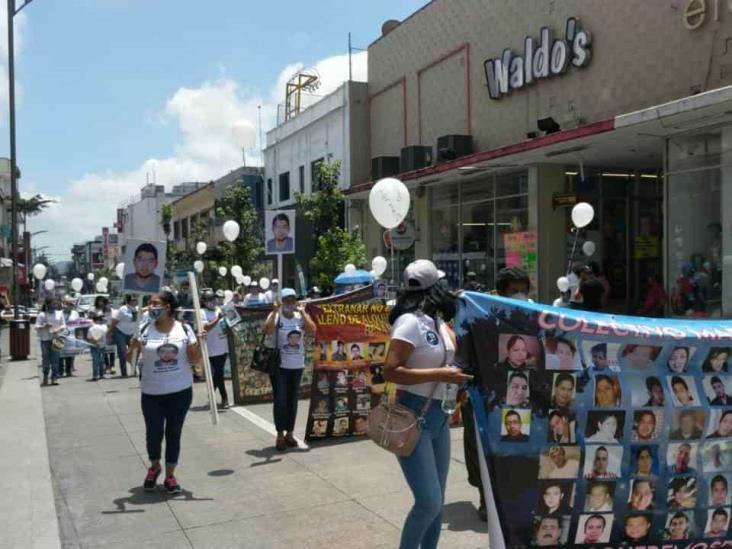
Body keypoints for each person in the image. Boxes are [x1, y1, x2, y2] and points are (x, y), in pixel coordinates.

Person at [382, 259, 471, 549]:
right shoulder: (409, 323)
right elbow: (391, 370)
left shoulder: (439, 323)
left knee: (438, 501)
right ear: (436, 288)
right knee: (428, 503)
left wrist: (456, 385)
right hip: (412, 416)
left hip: (439, 417)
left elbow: (450, 360)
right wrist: (441, 374)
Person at [126, 291, 202, 494]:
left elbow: (195, 360)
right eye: (150, 304)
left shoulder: (184, 329)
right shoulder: (143, 329)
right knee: (153, 434)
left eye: (155, 303)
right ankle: (154, 466)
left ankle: (170, 474)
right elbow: (129, 360)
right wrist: (132, 348)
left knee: (173, 433)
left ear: (168, 307)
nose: (151, 307)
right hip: (152, 392)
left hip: (180, 391)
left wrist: (198, 344)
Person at [263, 288, 316, 451]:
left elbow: (312, 330)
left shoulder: (299, 317)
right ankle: (279, 434)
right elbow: (267, 330)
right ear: (281, 301)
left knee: (292, 401)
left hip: (296, 365)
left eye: (292, 300)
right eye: (286, 300)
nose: (289, 303)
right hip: (280, 366)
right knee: (280, 401)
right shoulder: (277, 316)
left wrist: (304, 312)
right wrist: (273, 312)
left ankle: (290, 433)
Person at [201, 290, 230, 409]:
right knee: (219, 373)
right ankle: (224, 398)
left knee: (218, 373)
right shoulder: (202, 312)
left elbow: (226, 324)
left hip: (223, 346)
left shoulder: (220, 309)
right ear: (204, 302)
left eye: (213, 299)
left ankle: (213, 392)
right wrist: (217, 319)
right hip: (211, 348)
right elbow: (206, 327)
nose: (212, 302)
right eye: (209, 300)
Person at [35, 297, 66, 386]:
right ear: (47, 305)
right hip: (45, 340)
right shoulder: (42, 314)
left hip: (57, 338)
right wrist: (44, 326)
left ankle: (54, 377)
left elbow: (63, 325)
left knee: (55, 359)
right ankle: (45, 376)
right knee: (45, 359)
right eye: (52, 304)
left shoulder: (59, 313)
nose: (54, 305)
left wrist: (58, 329)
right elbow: (36, 327)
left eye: (55, 304)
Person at [110, 295, 137, 378]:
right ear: (129, 301)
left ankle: (133, 370)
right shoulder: (123, 309)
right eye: (133, 299)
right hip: (120, 332)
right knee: (122, 352)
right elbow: (115, 321)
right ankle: (124, 372)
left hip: (132, 333)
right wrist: (109, 332)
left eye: (136, 299)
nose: (135, 301)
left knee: (133, 353)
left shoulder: (137, 308)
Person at [94, 296, 116, 376]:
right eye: (107, 304)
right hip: (103, 333)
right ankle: (106, 366)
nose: (109, 305)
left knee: (112, 350)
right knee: (105, 350)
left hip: (112, 332)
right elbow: (97, 322)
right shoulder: (100, 313)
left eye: (110, 304)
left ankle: (112, 365)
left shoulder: (115, 312)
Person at [59, 295, 80, 377]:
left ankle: (68, 371)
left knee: (70, 355)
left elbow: (78, 325)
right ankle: (60, 371)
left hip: (71, 337)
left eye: (71, 305)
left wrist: (78, 338)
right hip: (60, 336)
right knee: (60, 355)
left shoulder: (75, 313)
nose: (68, 306)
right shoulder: (59, 313)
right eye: (67, 304)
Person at [87, 312, 108, 381]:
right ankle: (100, 375)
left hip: (95, 346)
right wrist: (98, 341)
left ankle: (96, 375)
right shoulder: (103, 327)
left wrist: (95, 341)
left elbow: (89, 338)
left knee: (96, 360)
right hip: (100, 346)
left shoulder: (91, 328)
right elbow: (104, 336)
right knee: (101, 360)